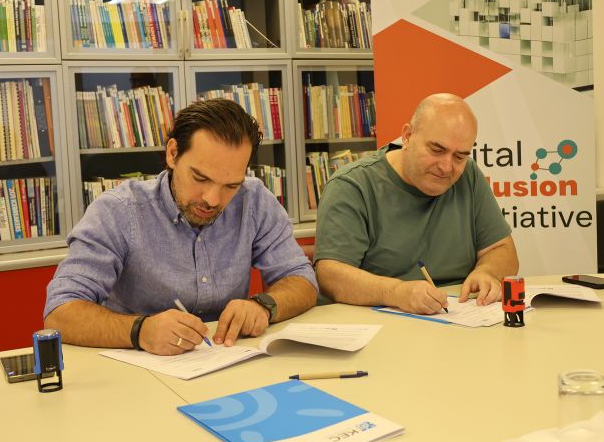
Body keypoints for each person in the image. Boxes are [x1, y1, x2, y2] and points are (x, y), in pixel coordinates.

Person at [44, 99, 317, 355]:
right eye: (200, 178)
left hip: (227, 360)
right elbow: (60, 312)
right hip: (137, 368)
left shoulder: (254, 200)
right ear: (173, 154)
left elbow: (302, 279)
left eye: (231, 185)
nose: (212, 199)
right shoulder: (119, 211)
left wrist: (263, 306)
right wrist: (140, 330)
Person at [314, 93, 518, 314]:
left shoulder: (469, 175)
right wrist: (396, 292)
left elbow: (502, 249)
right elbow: (330, 275)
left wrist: (487, 272)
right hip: (378, 320)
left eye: (459, 157)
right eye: (437, 150)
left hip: (460, 318)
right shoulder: (353, 185)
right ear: (407, 136)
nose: (446, 167)